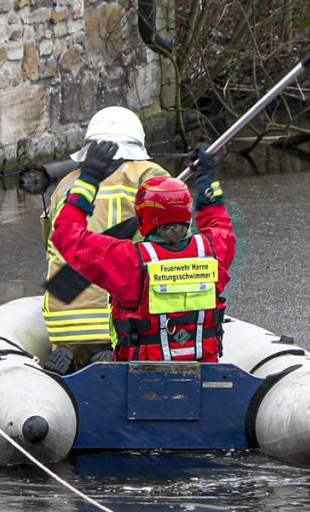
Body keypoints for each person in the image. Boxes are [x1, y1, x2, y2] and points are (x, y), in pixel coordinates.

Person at [50, 142, 235, 362]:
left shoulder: (128, 261)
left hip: (141, 378)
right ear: (187, 213)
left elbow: (66, 234)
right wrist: (208, 179)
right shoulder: (215, 251)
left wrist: (88, 180)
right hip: (204, 373)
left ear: (141, 218)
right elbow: (217, 219)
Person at [42, 106, 171, 373]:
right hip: (113, 318)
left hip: (60, 317)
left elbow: (51, 245)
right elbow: (174, 240)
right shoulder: (149, 175)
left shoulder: (66, 184)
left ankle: (72, 351)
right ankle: (107, 350)